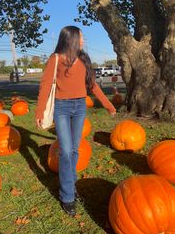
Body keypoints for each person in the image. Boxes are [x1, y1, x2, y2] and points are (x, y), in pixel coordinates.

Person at [35, 26, 116, 217]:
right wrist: (39, 111)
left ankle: (71, 184)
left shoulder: (84, 59)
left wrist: (108, 105)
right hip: (61, 108)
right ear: (70, 38)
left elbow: (93, 86)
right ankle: (67, 196)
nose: (83, 40)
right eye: (80, 37)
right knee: (64, 151)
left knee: (74, 149)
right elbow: (45, 86)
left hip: (80, 107)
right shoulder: (56, 59)